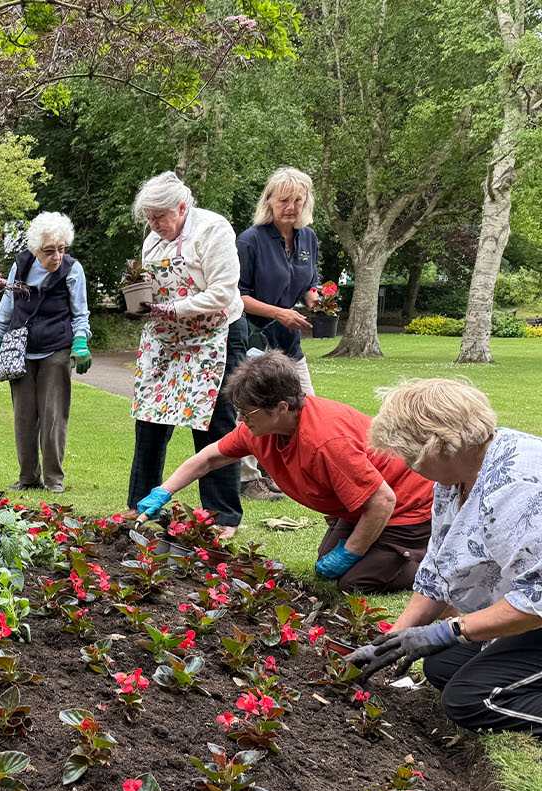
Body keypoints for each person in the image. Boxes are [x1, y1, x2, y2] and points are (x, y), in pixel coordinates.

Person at [135, 351, 433, 592]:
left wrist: (350, 553)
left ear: (280, 408)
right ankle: (378, 550)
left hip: (406, 509)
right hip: (361, 508)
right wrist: (164, 490)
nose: (239, 419)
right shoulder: (259, 430)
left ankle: (429, 558)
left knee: (353, 581)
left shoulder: (325, 440)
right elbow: (209, 459)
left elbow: (382, 501)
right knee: (326, 566)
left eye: (246, 412)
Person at [348, 380, 542, 735]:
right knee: (441, 667)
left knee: (470, 700)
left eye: (409, 455)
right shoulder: (458, 476)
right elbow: (438, 568)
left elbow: (536, 599)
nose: (407, 465)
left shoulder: (516, 486)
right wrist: (392, 640)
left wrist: (449, 630)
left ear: (439, 447)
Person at [125, 171, 246, 537]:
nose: (154, 225)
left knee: (213, 424)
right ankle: (139, 503)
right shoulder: (153, 241)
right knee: (149, 419)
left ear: (182, 207)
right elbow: (151, 285)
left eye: (160, 217)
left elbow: (223, 292)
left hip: (214, 335)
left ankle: (221, 516)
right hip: (166, 341)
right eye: (149, 219)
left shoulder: (214, 230)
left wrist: (172, 310)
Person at [0, 212, 93, 493]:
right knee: (24, 417)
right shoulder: (20, 267)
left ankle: (54, 480)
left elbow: (81, 313)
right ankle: (27, 478)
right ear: (35, 250)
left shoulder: (72, 270)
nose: (56, 256)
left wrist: (80, 343)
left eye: (61, 248)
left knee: (52, 416)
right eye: (49, 251)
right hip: (19, 350)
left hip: (56, 350)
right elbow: (7, 308)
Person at [236, 167, 324, 503]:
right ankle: (247, 477)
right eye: (284, 199)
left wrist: (316, 300)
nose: (291, 206)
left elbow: (307, 284)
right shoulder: (250, 240)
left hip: (290, 343)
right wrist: (278, 313)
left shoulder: (308, 239)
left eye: (297, 200)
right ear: (269, 201)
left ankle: (288, 471)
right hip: (253, 339)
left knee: (307, 407)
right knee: (251, 409)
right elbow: (238, 296)